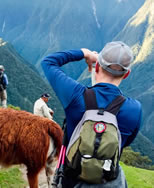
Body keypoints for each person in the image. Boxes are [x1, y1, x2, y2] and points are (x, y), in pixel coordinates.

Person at [41, 41, 142, 187]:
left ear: (98, 67)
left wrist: (84, 53)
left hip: (72, 181)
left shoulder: (76, 96)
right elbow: (123, 143)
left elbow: (48, 62)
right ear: (126, 74)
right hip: (108, 181)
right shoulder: (135, 109)